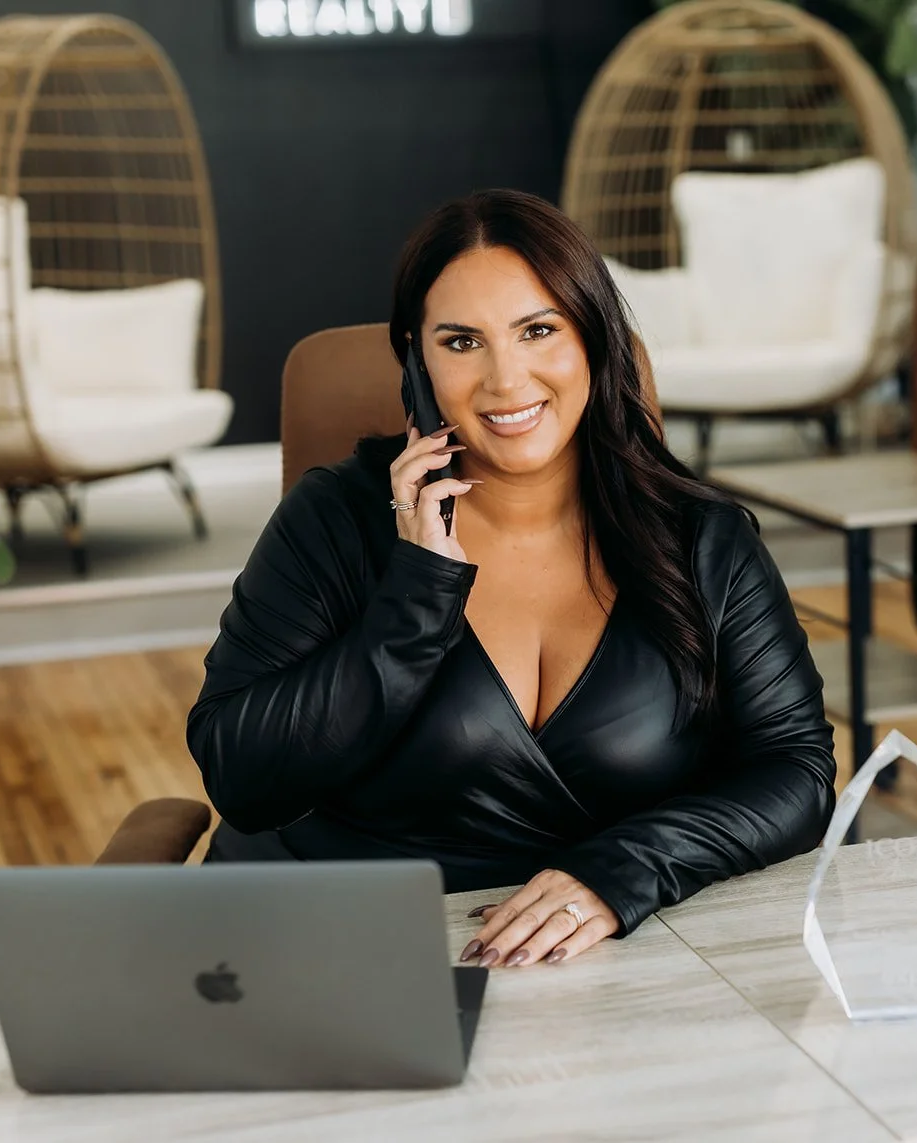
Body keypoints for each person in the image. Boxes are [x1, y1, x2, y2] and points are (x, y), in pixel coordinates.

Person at [188, 189, 836, 969]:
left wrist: (620, 870)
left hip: (606, 960)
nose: (506, 378)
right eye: (461, 342)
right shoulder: (333, 519)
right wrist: (415, 594)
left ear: (593, 341)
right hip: (339, 950)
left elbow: (796, 768)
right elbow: (243, 775)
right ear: (417, 361)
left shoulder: (701, 538)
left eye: (538, 330)